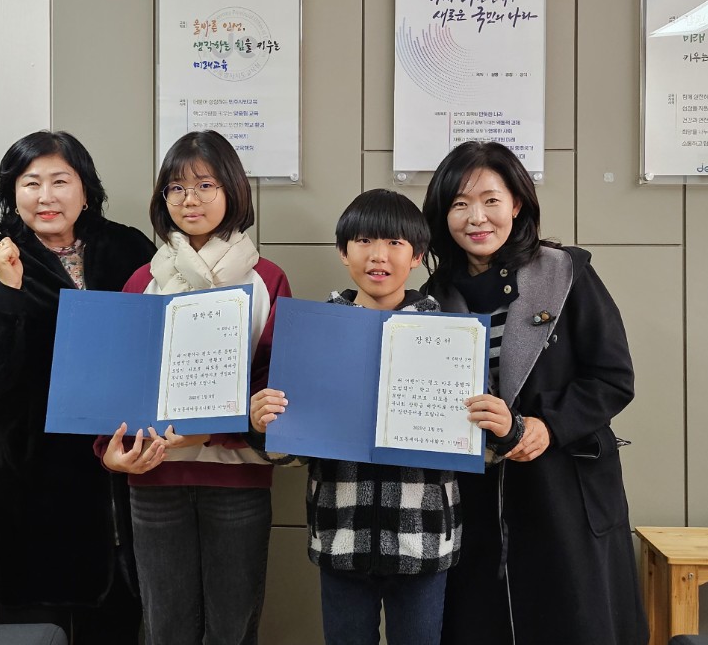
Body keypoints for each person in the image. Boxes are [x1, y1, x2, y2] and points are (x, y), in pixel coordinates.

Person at [250, 189, 501, 645]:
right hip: (341, 533)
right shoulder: (315, 332)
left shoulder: (454, 337)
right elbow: (291, 454)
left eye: (395, 243)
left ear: (419, 255)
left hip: (422, 538)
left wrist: (500, 427)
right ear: (344, 252)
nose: (378, 256)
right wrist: (265, 426)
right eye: (364, 241)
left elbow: (482, 449)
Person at [421, 141, 648, 645]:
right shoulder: (434, 296)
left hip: (563, 488)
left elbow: (614, 376)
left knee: (572, 621)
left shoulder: (566, 274)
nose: (476, 217)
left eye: (490, 200)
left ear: (517, 204)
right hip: (474, 498)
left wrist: (547, 424)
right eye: (459, 204)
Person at [0, 130, 155, 643]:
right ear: (11, 193)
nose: (46, 196)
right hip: (34, 482)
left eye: (60, 181)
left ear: (85, 189)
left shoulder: (130, 250)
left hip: (122, 473)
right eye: (31, 182)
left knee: (118, 620)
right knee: (34, 628)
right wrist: (8, 292)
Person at [95, 129, 292, 645]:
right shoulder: (144, 280)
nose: (190, 199)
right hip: (154, 478)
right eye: (176, 189)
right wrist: (110, 453)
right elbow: (117, 380)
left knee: (233, 625)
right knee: (165, 625)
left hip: (237, 480)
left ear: (232, 191)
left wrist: (213, 433)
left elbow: (275, 383)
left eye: (205, 185)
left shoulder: (265, 279)